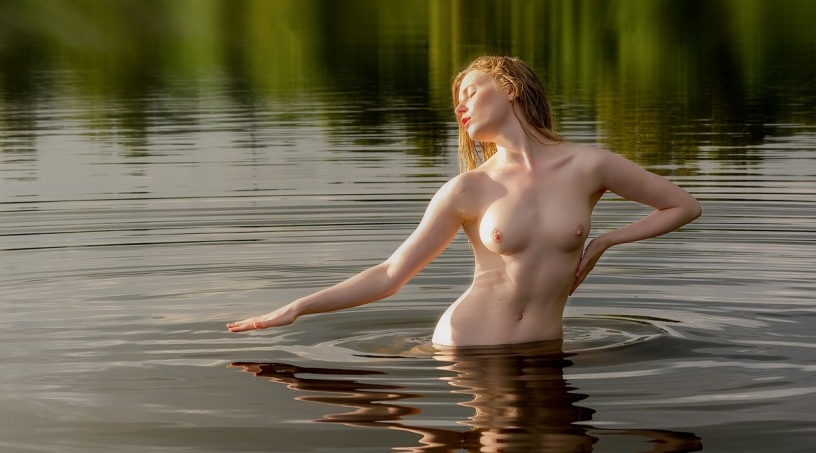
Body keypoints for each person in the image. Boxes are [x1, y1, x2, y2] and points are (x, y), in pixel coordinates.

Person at [227, 55, 702, 347]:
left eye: (470, 91)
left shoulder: (590, 166)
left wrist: (604, 242)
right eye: (458, 100)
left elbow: (682, 206)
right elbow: (391, 275)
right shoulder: (469, 189)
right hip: (468, 351)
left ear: (509, 89)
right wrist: (298, 307)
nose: (460, 106)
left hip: (544, 349)